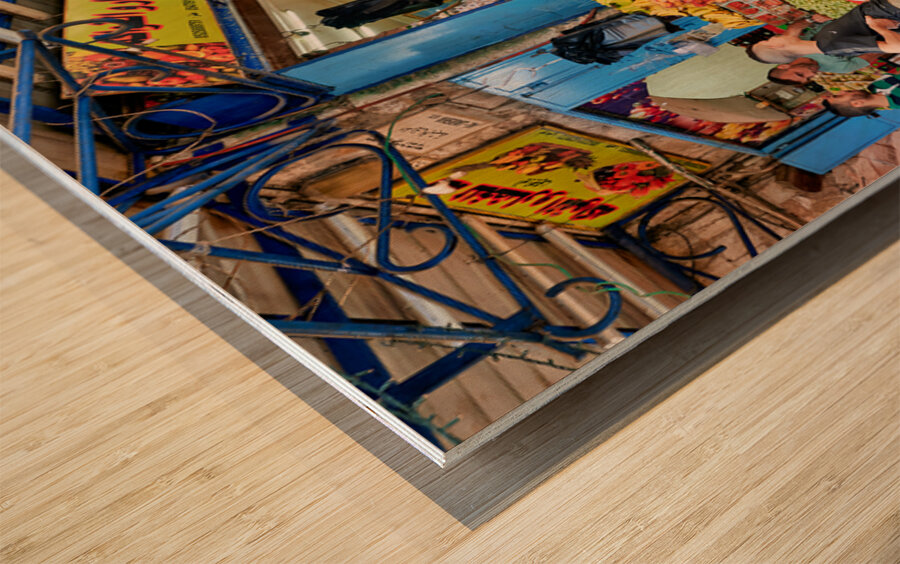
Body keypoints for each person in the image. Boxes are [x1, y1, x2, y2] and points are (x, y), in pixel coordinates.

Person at [748, 0, 900, 64]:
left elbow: (793, 30)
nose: (773, 37)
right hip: (891, 9)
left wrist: (810, 20)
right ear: (775, 47)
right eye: (768, 41)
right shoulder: (832, 46)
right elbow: (895, 47)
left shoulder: (819, 40)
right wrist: (877, 27)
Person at [767, 52, 882, 85]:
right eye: (809, 78)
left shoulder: (796, 48)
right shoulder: (842, 68)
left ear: (784, 66)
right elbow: (877, 50)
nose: (811, 73)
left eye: (800, 74)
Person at [822, 70, 900, 115]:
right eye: (839, 96)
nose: (842, 91)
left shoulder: (873, 86)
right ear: (857, 103)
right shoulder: (897, 101)